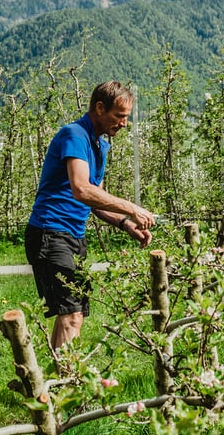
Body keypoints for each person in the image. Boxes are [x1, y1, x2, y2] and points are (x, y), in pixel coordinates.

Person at [26, 81, 155, 350]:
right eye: (119, 116)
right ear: (99, 108)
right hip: (51, 233)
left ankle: (55, 384)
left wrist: (125, 224)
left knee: (72, 315)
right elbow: (81, 189)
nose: (123, 123)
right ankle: (67, 385)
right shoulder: (74, 135)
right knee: (71, 315)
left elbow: (95, 199)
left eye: (126, 117)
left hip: (73, 236)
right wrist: (132, 207)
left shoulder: (98, 145)